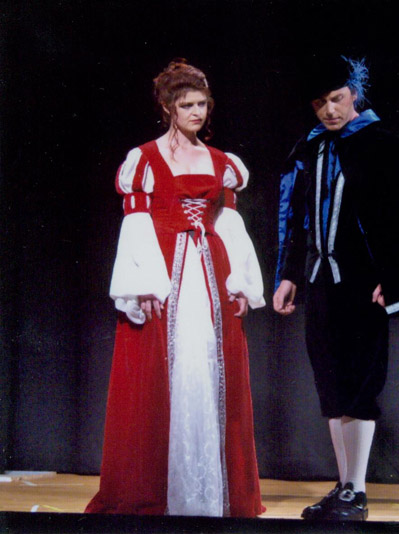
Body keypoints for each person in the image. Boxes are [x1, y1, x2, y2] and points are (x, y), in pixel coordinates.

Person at [85, 59, 265, 517]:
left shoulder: (222, 162)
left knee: (210, 373)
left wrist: (241, 283)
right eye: (187, 105)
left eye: (202, 104)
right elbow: (136, 223)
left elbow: (229, 224)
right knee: (160, 375)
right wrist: (144, 282)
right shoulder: (144, 160)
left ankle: (210, 496)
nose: (197, 112)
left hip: (210, 277)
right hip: (165, 276)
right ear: (167, 107)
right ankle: (155, 495)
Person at [273, 55, 399, 521]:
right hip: (320, 279)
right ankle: (344, 485)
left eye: (337, 99)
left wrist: (396, 276)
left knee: (360, 381)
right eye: (320, 103)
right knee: (330, 383)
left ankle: (358, 488)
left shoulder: (380, 142)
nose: (330, 110)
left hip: (363, 282)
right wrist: (289, 275)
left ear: (354, 94)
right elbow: (298, 217)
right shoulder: (312, 147)